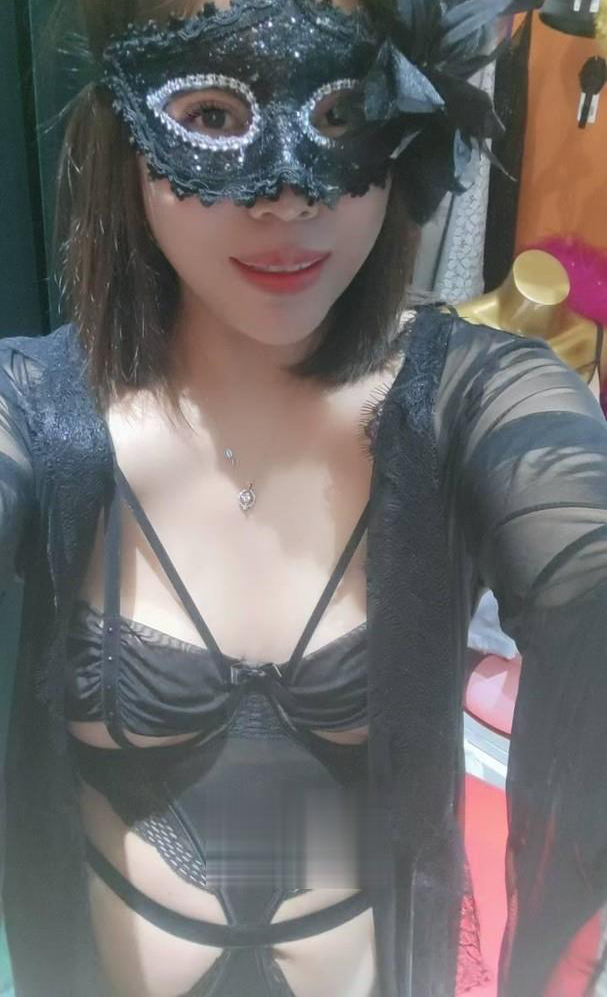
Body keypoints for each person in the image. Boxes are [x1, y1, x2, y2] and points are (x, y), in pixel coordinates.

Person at [1, 0, 606, 995]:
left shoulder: (471, 400)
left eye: (339, 115)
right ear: (123, 127)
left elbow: (583, 551)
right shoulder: (32, 415)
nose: (287, 199)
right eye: (211, 114)